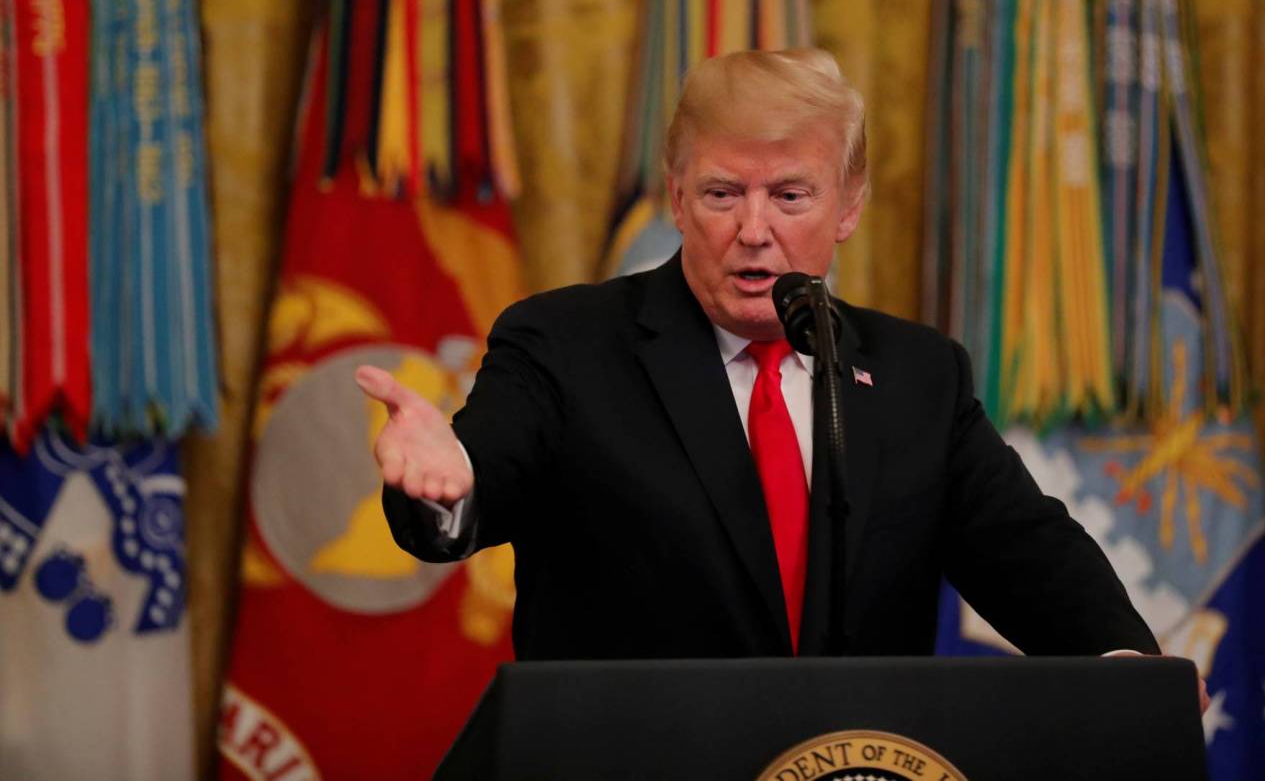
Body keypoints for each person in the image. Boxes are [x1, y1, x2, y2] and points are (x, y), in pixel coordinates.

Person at [357, 48, 1169, 668]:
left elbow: (1026, 551)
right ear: (677, 197)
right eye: (721, 194)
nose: (753, 229)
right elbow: (481, 476)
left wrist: (1123, 661)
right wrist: (448, 485)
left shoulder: (920, 377)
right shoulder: (565, 346)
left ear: (848, 206)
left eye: (789, 195)